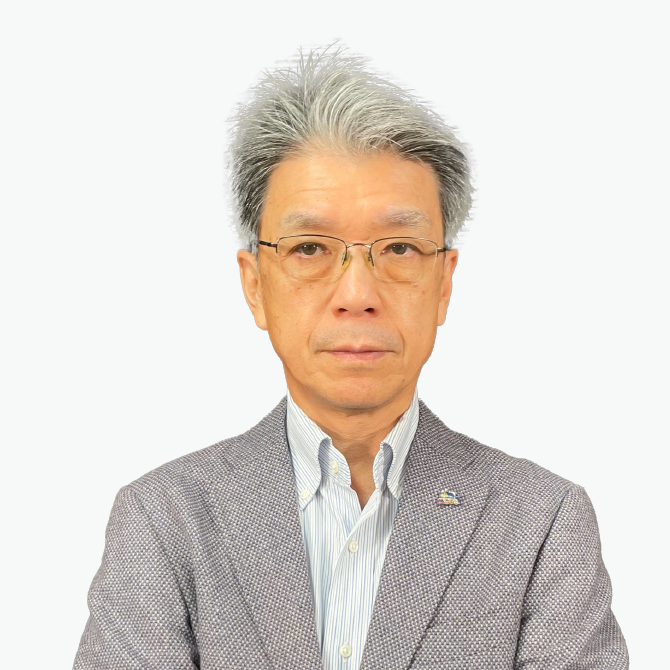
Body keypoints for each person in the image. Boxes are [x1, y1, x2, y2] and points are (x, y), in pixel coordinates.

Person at [73, 45, 629, 670]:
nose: (357, 294)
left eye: (399, 248)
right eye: (310, 248)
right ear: (255, 285)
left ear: (444, 283)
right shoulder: (164, 521)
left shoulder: (541, 524)